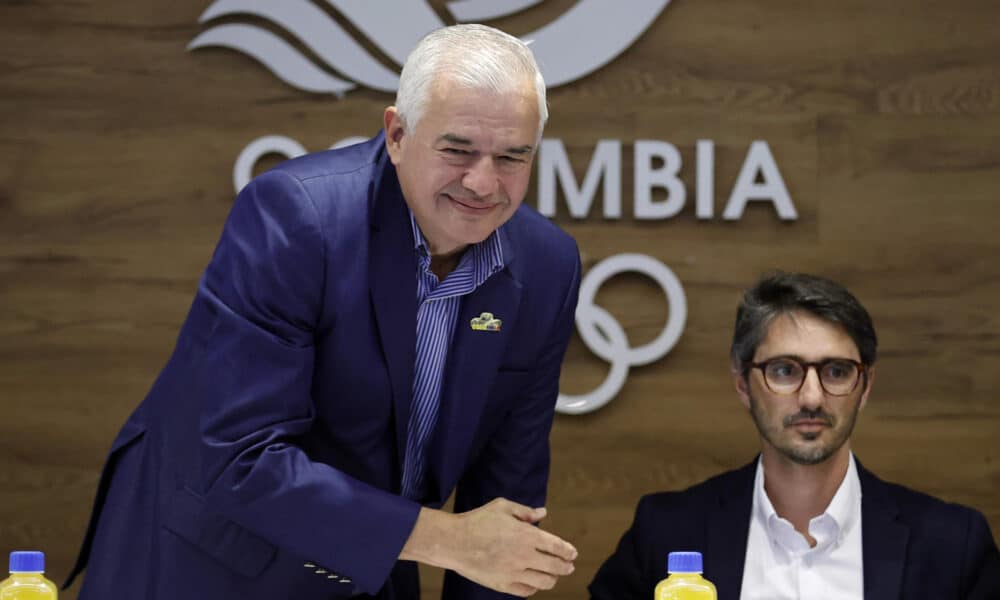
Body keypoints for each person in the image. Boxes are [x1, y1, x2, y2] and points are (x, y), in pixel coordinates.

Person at [66, 24, 581, 599]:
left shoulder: (546, 266)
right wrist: (449, 541)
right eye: (457, 149)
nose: (483, 182)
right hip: (208, 563)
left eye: (513, 156)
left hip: (373, 569)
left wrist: (467, 550)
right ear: (397, 135)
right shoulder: (295, 219)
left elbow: (503, 508)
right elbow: (240, 457)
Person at [589, 272, 1000, 600]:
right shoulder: (667, 533)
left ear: (866, 386)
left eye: (836, 371)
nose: (811, 397)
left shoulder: (952, 547)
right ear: (742, 386)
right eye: (785, 371)